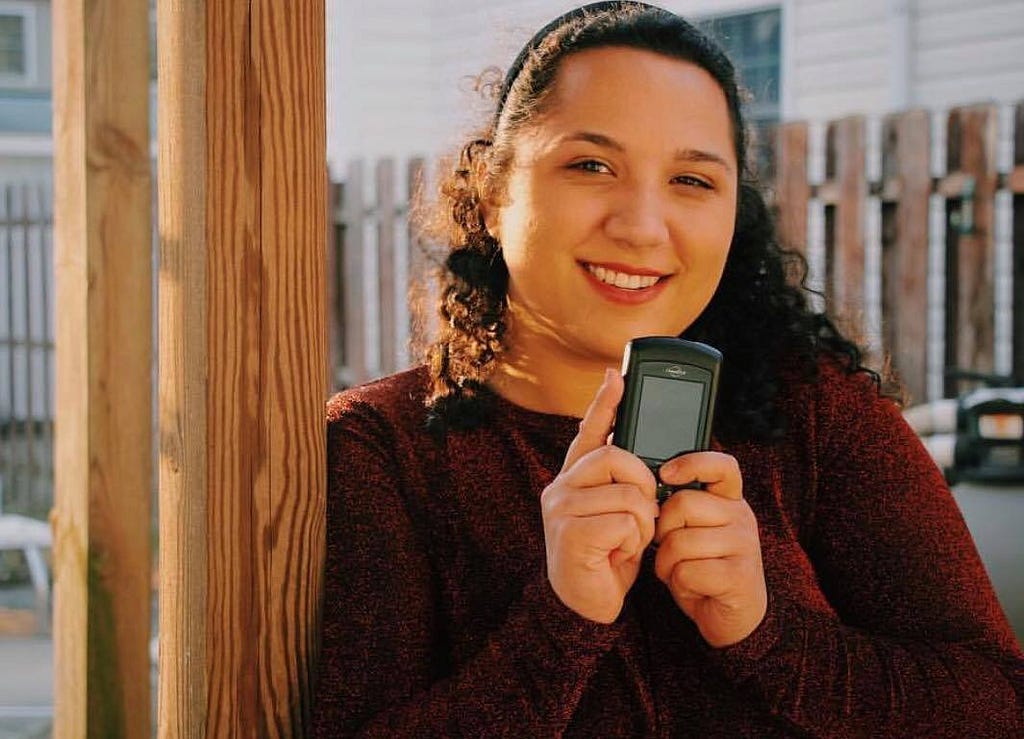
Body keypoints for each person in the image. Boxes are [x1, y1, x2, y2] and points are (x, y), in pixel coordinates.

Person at [311, 3, 1024, 736]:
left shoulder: (816, 412)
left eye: (691, 180)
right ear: (494, 193)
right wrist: (561, 620)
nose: (643, 225)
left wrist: (768, 631)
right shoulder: (384, 448)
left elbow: (999, 703)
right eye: (591, 165)